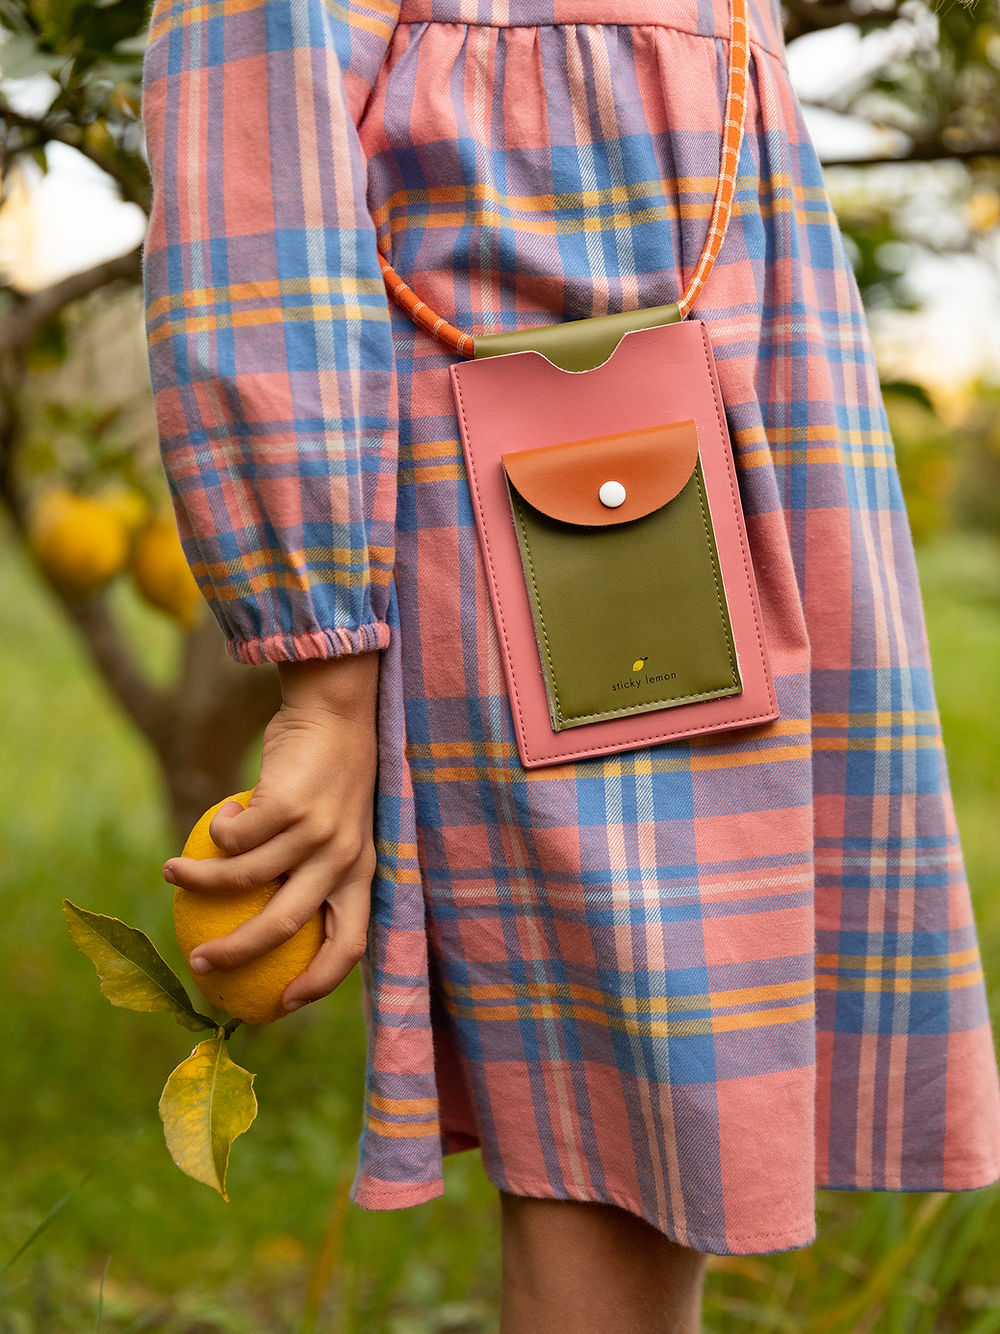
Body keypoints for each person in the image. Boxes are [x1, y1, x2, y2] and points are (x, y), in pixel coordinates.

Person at [140, 0, 1000, 1327]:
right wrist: (322, 663)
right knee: (619, 1126)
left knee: (663, 1116)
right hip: (528, 440)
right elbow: (258, 141)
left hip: (725, 377)